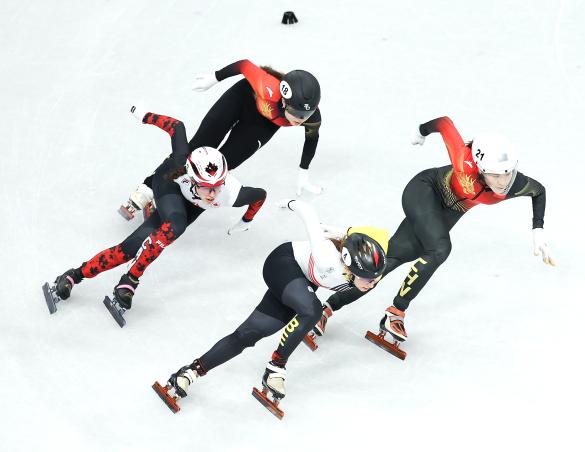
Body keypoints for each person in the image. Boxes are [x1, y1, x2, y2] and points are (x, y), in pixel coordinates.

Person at [312, 116, 555, 346]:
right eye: (495, 175)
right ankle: (397, 311)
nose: (503, 182)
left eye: (508, 173)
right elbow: (445, 123)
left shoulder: (512, 182)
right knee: (440, 248)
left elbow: (539, 191)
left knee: (388, 261)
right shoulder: (463, 160)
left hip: (445, 215)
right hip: (423, 191)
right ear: (480, 169)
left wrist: (538, 229)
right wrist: (421, 131)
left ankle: (326, 308)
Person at [152, 200, 388, 412]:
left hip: (300, 285)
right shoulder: (327, 258)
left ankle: (189, 372)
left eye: (377, 277)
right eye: (369, 279)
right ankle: (276, 368)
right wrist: (290, 203)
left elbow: (366, 235)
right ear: (349, 267)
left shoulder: (369, 263)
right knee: (313, 309)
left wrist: (339, 231)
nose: (373, 283)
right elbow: (309, 214)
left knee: (246, 335)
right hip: (282, 264)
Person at [43, 106, 267, 324]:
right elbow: (177, 128)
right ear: (192, 176)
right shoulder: (182, 163)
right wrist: (144, 115)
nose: (213, 193)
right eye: (207, 187)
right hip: (168, 182)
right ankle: (130, 280)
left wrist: (247, 219)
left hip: (189, 209)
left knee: (129, 249)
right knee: (176, 224)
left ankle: (72, 275)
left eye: (218, 186)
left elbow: (260, 195)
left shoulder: (231, 193)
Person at [119, 59, 323, 225]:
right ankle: (147, 189)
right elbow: (244, 65)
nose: (300, 119)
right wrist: (214, 78)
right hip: (241, 99)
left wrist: (303, 172)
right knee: (196, 148)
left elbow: (311, 139)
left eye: (307, 114)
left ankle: (180, 197)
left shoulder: (310, 116)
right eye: (296, 112)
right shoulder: (267, 87)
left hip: (262, 125)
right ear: (284, 100)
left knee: (220, 166)